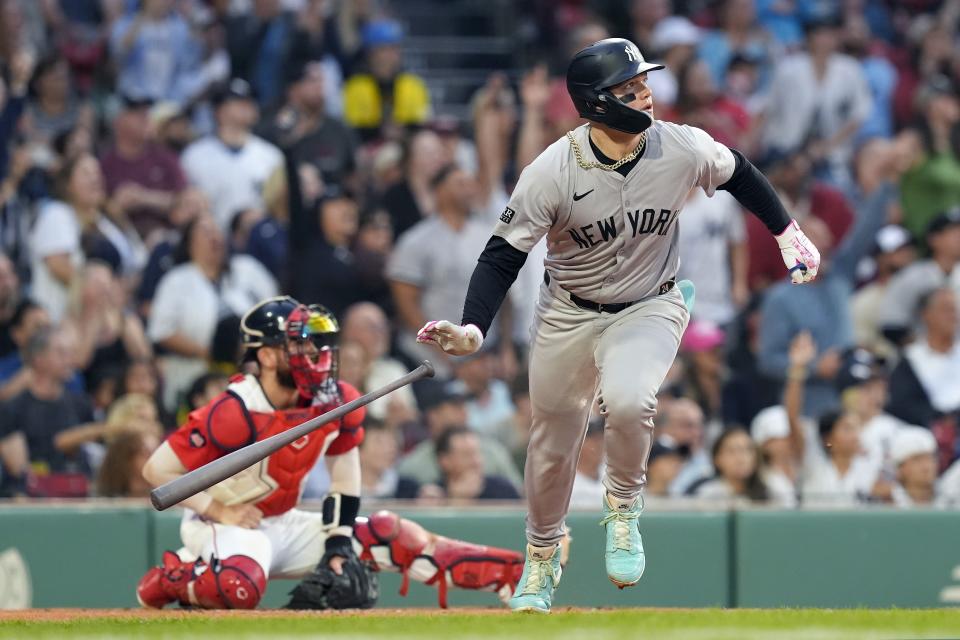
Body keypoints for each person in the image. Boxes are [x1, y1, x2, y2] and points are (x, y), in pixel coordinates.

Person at [415, 38, 821, 613]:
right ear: (596, 103)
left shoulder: (680, 145)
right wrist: (475, 328)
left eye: (644, 83)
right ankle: (540, 558)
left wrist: (787, 233)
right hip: (568, 312)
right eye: (628, 88)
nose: (645, 94)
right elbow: (502, 254)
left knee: (630, 401)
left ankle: (624, 510)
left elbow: (741, 173)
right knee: (552, 444)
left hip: (651, 303)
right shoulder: (553, 169)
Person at [136, 296, 525, 610]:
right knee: (239, 587)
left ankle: (510, 573)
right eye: (297, 343)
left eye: (312, 340)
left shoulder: (336, 400)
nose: (312, 351)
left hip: (282, 521)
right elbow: (157, 471)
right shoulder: (235, 409)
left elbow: (343, 478)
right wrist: (222, 510)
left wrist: (338, 543)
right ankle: (174, 576)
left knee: (388, 533)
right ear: (268, 356)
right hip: (223, 525)